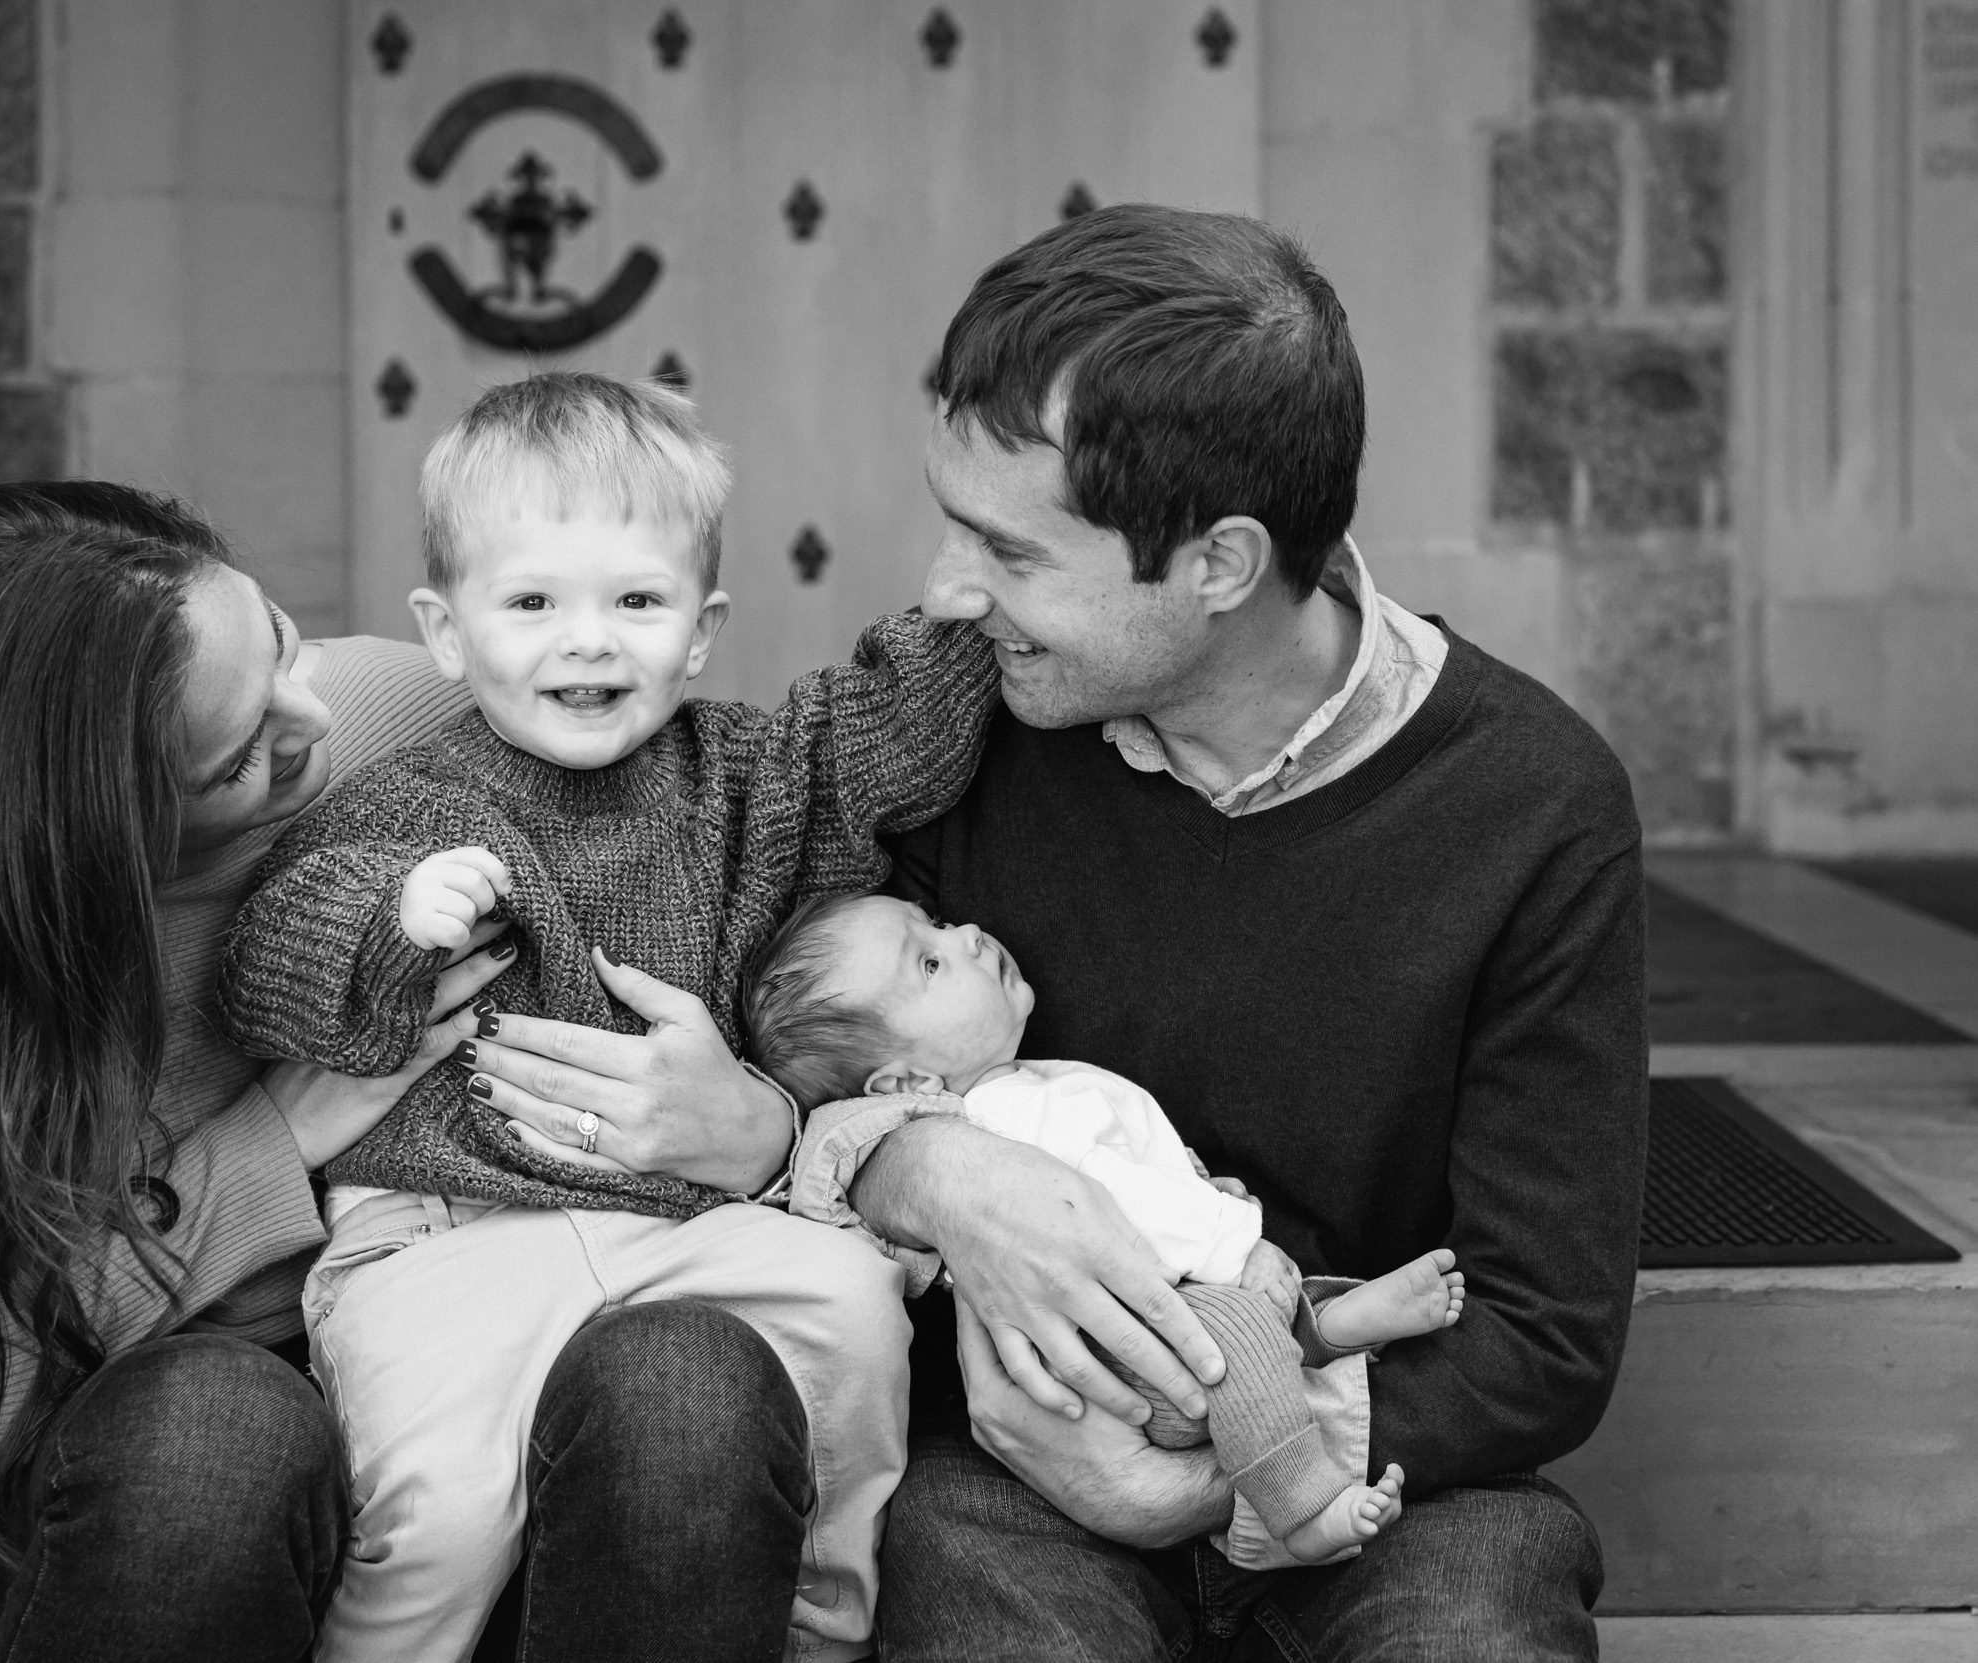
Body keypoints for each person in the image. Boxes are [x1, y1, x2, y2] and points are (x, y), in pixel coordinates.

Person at [453, 204, 1647, 1660]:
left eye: (1009, 552)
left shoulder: (1533, 802)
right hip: (1004, 1471)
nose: (951, 589)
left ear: (1216, 563)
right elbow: (798, 1029)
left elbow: (1545, 1323)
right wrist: (916, 1159)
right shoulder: (954, 722)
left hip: (1390, 1456)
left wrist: (1201, 1477)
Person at [0, 481, 812, 1663]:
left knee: (685, 1384)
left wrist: (763, 1127)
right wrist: (272, 1143)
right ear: (82, 828)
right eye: (244, 754)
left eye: (283, 641)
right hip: (207, 1497)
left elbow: (767, 899)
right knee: (215, 1430)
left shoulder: (399, 707)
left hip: (527, 1392)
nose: (314, 718)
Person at [217, 372, 999, 1663]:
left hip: (689, 1219)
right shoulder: (406, 801)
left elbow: (874, 735)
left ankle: (819, 1617)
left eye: (636, 601)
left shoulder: (745, 774)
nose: (589, 641)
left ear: (700, 630)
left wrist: (963, 618)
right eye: (532, 602)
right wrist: (394, 921)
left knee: (856, 1307)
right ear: (448, 628)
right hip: (442, 1231)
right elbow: (267, 962)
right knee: (438, 1512)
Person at [742, 890, 1467, 1565]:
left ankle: (1327, 1327)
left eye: (933, 921)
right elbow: (1111, 1206)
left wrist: (1195, 1186)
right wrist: (1229, 1240)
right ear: (905, 1085)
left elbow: (1127, 1170)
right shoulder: (1006, 1120)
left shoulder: (1024, 1087)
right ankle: (1303, 1509)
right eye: (929, 962)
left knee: (1247, 1338)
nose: (962, 933)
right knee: (1240, 1339)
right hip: (1127, 1357)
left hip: (1158, 1316)